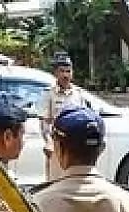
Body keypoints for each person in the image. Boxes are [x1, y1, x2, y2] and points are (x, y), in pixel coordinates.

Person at [39, 52, 91, 181]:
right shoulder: (49, 94)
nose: (65, 75)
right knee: (55, 182)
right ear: (56, 73)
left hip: (75, 147)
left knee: (74, 182)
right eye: (62, 71)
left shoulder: (79, 94)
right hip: (57, 146)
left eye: (68, 71)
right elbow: (45, 123)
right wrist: (48, 142)